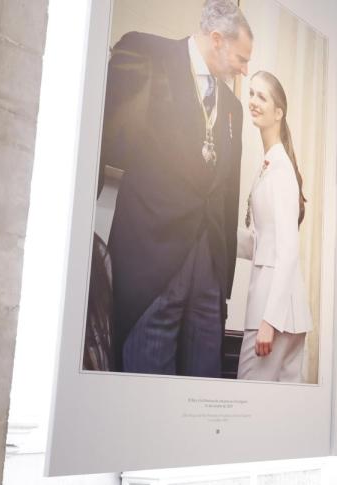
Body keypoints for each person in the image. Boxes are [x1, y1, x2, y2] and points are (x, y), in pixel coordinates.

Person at [98, 0, 252, 376]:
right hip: (152, 256)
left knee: (202, 390)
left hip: (209, 272)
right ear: (216, 39)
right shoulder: (144, 54)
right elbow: (107, 139)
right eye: (241, 58)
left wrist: (223, 278)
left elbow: (228, 192)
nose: (245, 70)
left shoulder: (232, 107)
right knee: (146, 383)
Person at [236, 71, 312, 382]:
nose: (253, 101)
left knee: (249, 402)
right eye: (251, 93)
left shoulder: (280, 169)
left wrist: (269, 320)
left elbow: (288, 251)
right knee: (281, 415)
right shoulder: (271, 164)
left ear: (278, 112)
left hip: (272, 314)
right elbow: (265, 242)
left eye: (262, 96)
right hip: (288, 316)